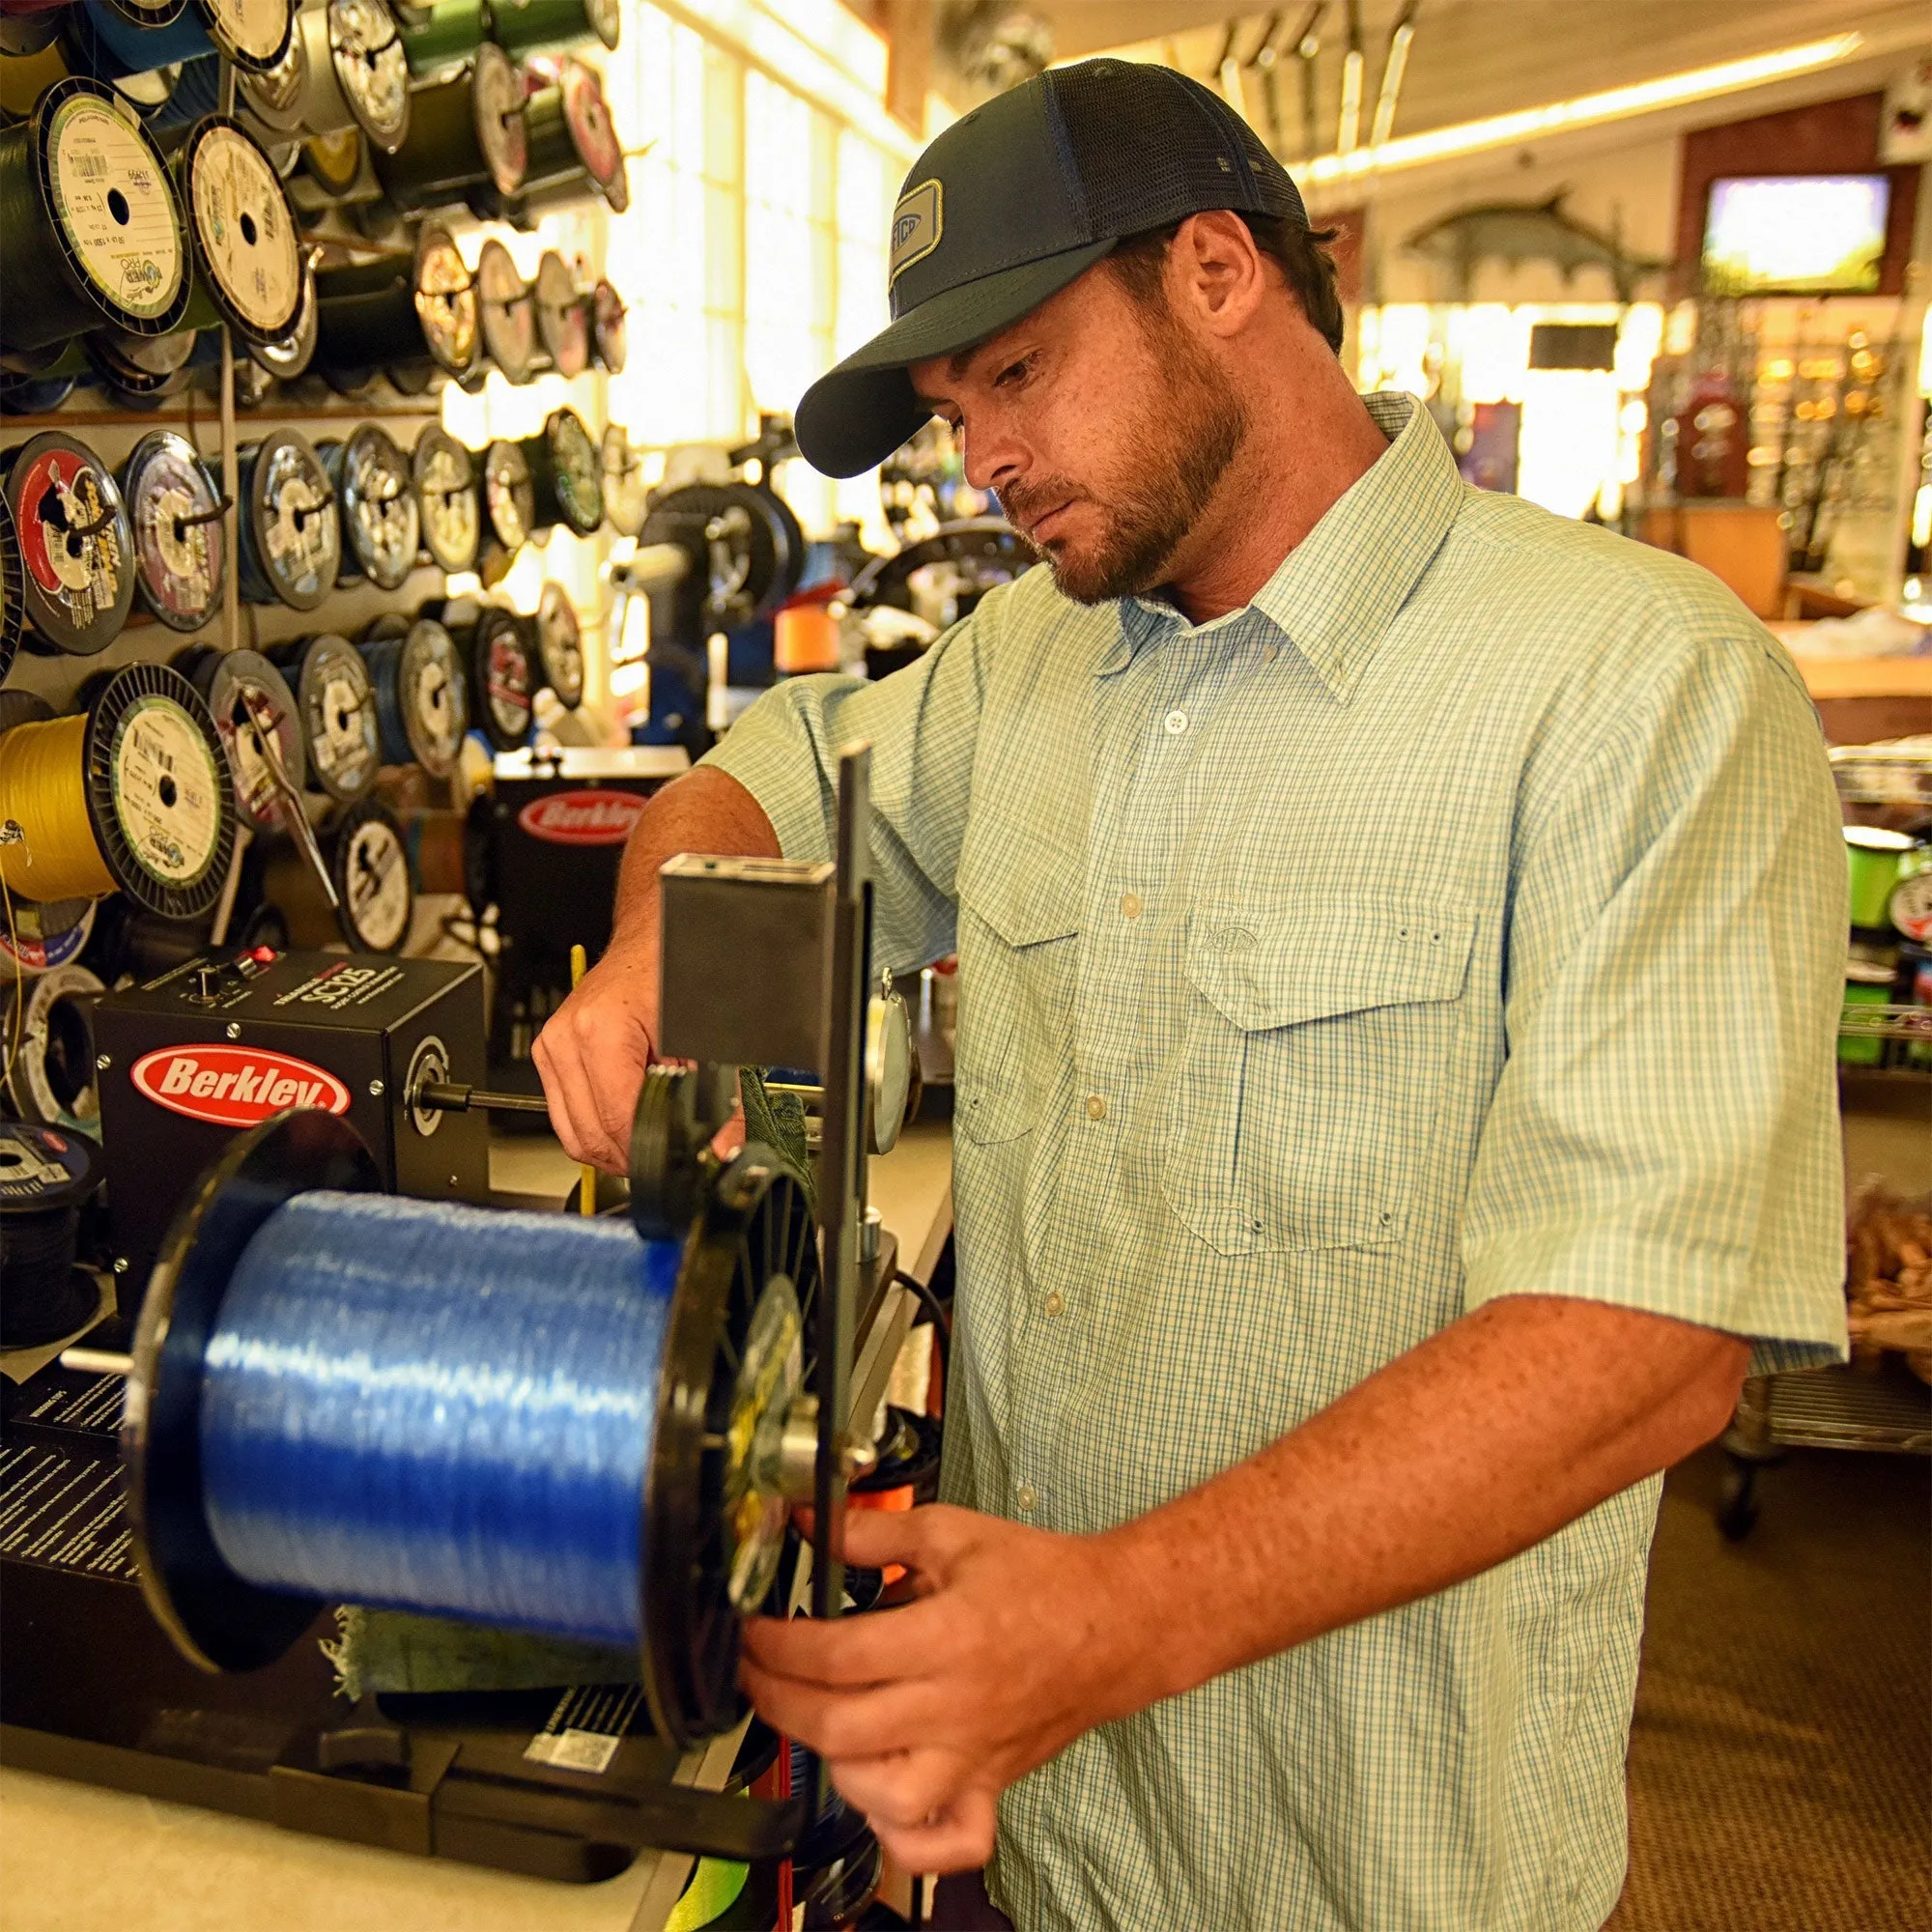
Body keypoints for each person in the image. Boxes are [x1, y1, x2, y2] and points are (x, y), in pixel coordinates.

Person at [535, 59, 1848, 1932]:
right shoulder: (1030, 663)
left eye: (1016, 371)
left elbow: (1643, 1342)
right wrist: (667, 923)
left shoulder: (1638, 688)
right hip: (1026, 1825)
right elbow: (767, 763)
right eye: (944, 409)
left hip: (1376, 1862)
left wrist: (1115, 1617)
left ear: (1220, 272)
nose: (977, 456)